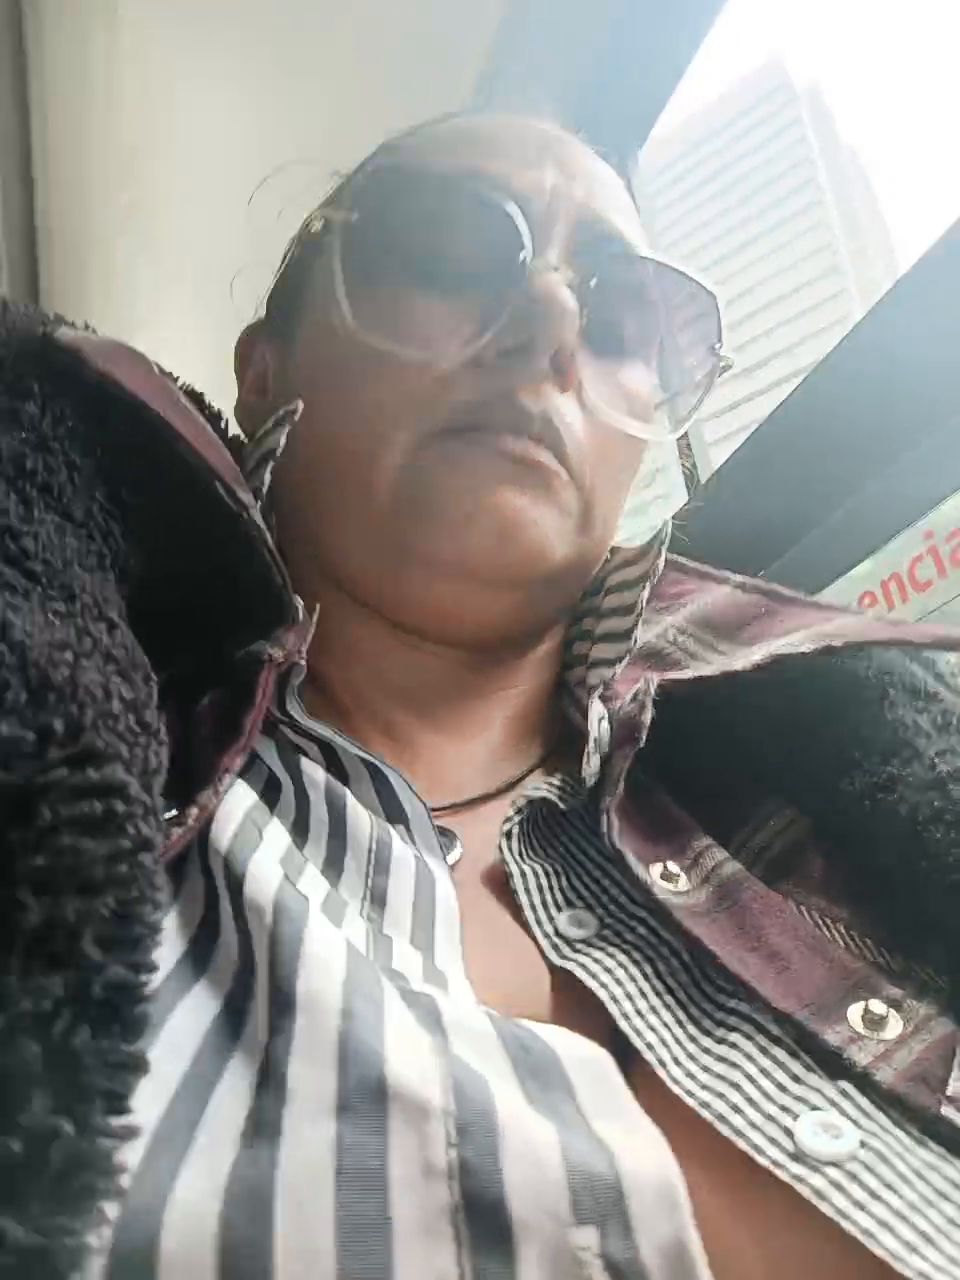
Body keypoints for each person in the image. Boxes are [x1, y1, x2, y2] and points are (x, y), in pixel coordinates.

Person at [2, 113, 959, 1280]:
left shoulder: (836, 791)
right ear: (265, 371)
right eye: (449, 251)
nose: (554, 324)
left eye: (622, 318)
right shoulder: (77, 790)